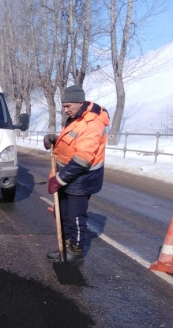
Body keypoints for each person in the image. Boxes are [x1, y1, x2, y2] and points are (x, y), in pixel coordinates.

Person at [43, 85, 110, 262]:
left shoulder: (92, 123)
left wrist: (59, 180)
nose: (65, 111)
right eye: (64, 106)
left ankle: (76, 250)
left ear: (79, 103)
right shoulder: (76, 117)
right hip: (68, 173)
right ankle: (64, 247)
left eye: (68, 106)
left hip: (82, 178)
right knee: (61, 212)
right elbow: (73, 142)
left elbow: (82, 159)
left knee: (75, 216)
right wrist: (55, 140)